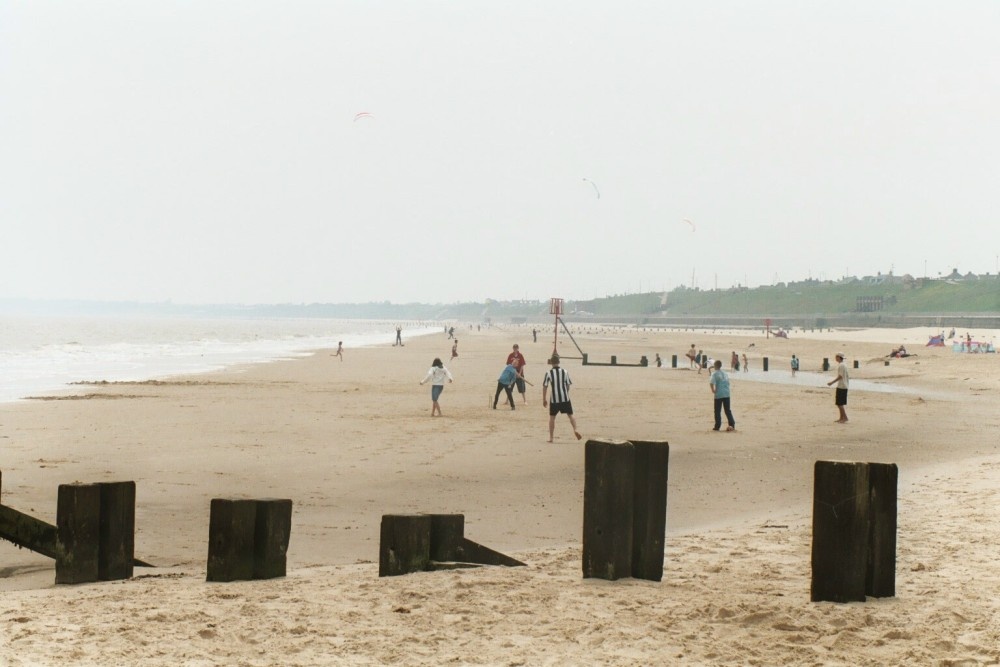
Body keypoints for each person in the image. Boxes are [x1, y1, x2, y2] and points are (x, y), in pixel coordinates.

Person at [542, 353, 581, 442]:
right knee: (570, 415)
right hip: (565, 398)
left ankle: (551, 437)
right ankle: (575, 429)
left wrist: (544, 399)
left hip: (554, 399)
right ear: (559, 362)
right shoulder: (565, 371)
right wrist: (565, 393)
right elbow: (568, 385)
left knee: (552, 417)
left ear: (551, 362)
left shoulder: (548, 373)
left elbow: (545, 386)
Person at [709, 360, 736, 431]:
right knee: (727, 410)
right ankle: (732, 424)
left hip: (719, 394)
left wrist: (713, 390)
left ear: (715, 366)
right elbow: (728, 382)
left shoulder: (714, 374)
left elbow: (711, 382)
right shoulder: (725, 373)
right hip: (727, 393)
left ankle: (717, 426)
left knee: (717, 411)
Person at [826, 352, 849, 423]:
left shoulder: (842, 365)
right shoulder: (843, 365)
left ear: (839, 357)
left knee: (840, 403)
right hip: (843, 385)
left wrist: (832, 382)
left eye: (836, 357)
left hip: (842, 386)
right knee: (839, 403)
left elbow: (840, 376)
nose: (835, 358)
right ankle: (841, 417)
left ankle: (845, 417)